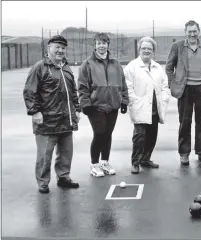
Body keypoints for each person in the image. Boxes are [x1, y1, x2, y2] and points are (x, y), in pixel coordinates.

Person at [23, 35, 80, 194]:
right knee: (44, 156)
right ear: (49, 49)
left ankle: (64, 177)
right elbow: (29, 91)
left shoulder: (66, 68)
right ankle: (43, 182)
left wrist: (77, 109)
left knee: (66, 153)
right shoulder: (39, 67)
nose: (60, 50)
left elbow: (72, 92)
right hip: (46, 121)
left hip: (65, 120)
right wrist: (35, 111)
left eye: (63, 48)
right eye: (57, 47)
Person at [165, 20, 201, 166]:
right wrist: (173, 84)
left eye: (194, 31)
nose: (192, 34)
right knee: (185, 122)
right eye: (189, 31)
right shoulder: (177, 46)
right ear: (185, 32)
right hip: (185, 90)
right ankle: (184, 153)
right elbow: (169, 67)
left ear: (199, 31)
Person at [77, 32, 129, 177]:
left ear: (108, 44)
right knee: (99, 133)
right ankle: (94, 164)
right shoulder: (87, 64)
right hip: (96, 106)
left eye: (104, 43)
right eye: (99, 43)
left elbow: (122, 83)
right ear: (95, 45)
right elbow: (82, 86)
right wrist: (85, 103)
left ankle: (104, 162)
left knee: (108, 134)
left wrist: (124, 101)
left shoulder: (116, 63)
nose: (101, 46)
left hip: (113, 105)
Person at [124, 37, 171, 174]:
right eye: (143, 48)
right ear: (139, 49)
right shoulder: (131, 67)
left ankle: (146, 159)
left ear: (153, 51)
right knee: (139, 137)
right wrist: (135, 101)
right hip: (140, 108)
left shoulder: (158, 68)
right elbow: (128, 88)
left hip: (155, 108)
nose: (146, 51)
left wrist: (164, 98)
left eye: (149, 49)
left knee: (152, 136)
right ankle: (135, 162)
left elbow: (164, 86)